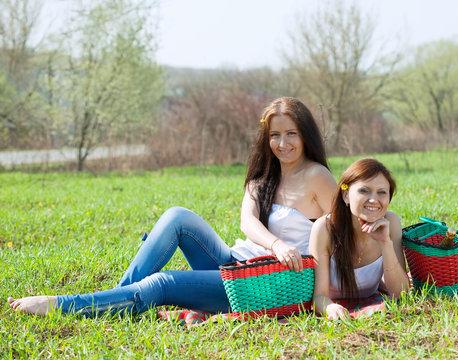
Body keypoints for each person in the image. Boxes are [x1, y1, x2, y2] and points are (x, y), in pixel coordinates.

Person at [8, 97, 337, 316]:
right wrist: (276, 243)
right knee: (177, 217)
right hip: (236, 261)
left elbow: (342, 235)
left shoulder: (317, 177)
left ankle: (64, 306)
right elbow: (248, 222)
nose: (283, 143)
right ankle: (119, 297)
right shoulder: (263, 175)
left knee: (162, 284)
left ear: (305, 135)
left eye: (291, 134)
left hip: (262, 284)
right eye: (275, 135)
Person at [309, 158, 410, 321]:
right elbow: (319, 297)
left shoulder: (391, 222)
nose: (373, 199)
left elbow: (400, 293)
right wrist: (330, 307)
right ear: (346, 195)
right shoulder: (324, 228)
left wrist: (386, 244)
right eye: (364, 190)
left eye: (382, 192)